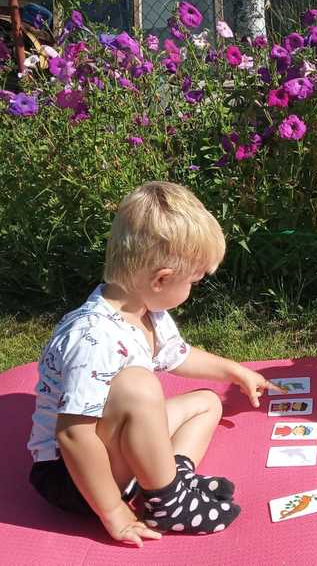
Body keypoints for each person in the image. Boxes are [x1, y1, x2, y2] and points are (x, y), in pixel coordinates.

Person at [27, 181, 283, 545]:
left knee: (207, 403)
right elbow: (74, 436)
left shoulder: (146, 311)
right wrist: (114, 513)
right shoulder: (92, 337)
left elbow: (179, 354)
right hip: (75, 477)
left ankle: (170, 483)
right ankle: (170, 504)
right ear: (162, 279)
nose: (193, 290)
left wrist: (234, 371)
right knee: (138, 384)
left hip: (113, 453)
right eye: (193, 281)